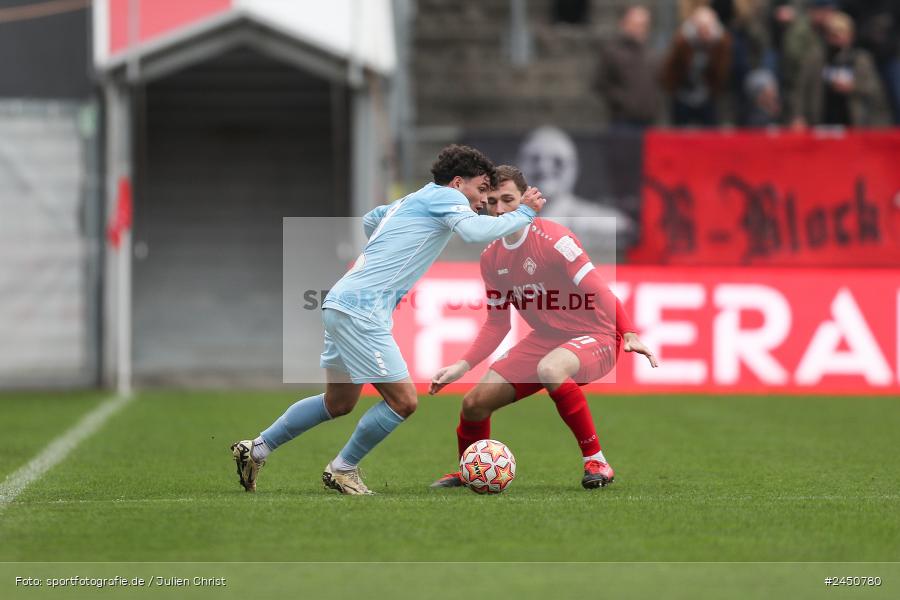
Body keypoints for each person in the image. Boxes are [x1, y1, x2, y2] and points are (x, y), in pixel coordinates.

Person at [232, 145, 546, 495]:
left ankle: (256, 448)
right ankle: (342, 469)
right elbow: (473, 233)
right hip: (361, 312)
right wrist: (526, 213)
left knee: (338, 402)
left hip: (341, 302)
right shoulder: (447, 198)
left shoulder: (412, 200)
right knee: (404, 401)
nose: (483, 200)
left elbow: (371, 220)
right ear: (458, 183)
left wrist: (394, 243)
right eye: (481, 189)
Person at [428, 166, 657, 490]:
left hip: (596, 334)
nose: (500, 209)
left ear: (525, 200)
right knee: (473, 404)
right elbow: (496, 324)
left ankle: (597, 461)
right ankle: (471, 471)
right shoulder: (491, 258)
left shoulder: (555, 240)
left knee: (550, 368)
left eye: (508, 199)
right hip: (546, 339)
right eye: (492, 201)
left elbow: (600, 290)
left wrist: (630, 333)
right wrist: (461, 366)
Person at [792, 11, 888, 127]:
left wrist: (853, 87)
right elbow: (801, 88)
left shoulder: (861, 59)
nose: (836, 38)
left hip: (852, 121)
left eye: (840, 33)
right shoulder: (816, 58)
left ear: (850, 35)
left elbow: (874, 90)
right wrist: (798, 116)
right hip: (820, 120)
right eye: (832, 33)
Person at [661, 6, 733, 126]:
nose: (704, 32)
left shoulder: (721, 43)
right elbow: (672, 68)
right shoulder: (683, 41)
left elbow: (722, 71)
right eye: (701, 28)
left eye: (707, 28)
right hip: (683, 95)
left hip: (707, 95)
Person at [594, 4, 661, 128]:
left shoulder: (652, 53)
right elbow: (601, 83)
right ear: (625, 24)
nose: (640, 29)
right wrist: (622, 101)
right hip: (623, 120)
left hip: (648, 119)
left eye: (644, 25)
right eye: (636, 24)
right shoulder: (612, 51)